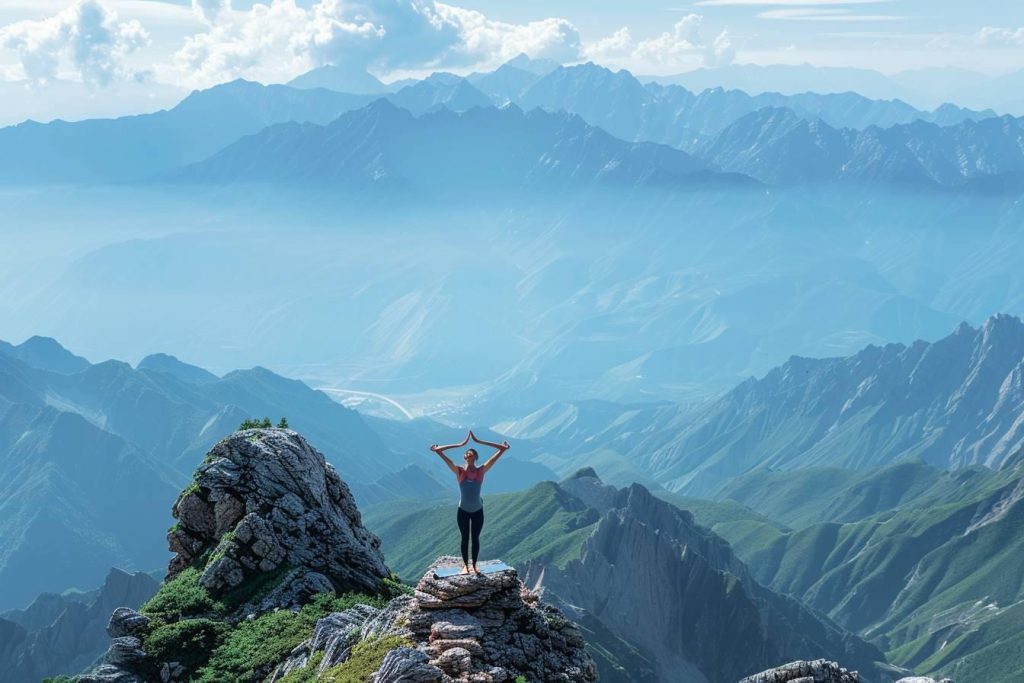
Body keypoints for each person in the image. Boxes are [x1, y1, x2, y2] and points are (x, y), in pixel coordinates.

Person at [430, 430, 510, 575]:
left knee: (475, 538)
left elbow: (499, 453)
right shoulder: (459, 471)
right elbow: (442, 454)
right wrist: (457, 444)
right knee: (465, 538)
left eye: (471, 453)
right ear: (465, 458)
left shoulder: (481, 471)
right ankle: (466, 566)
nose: (469, 455)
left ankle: (474, 566)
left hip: (478, 510)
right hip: (463, 511)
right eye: (467, 454)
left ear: (475, 457)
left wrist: (481, 442)